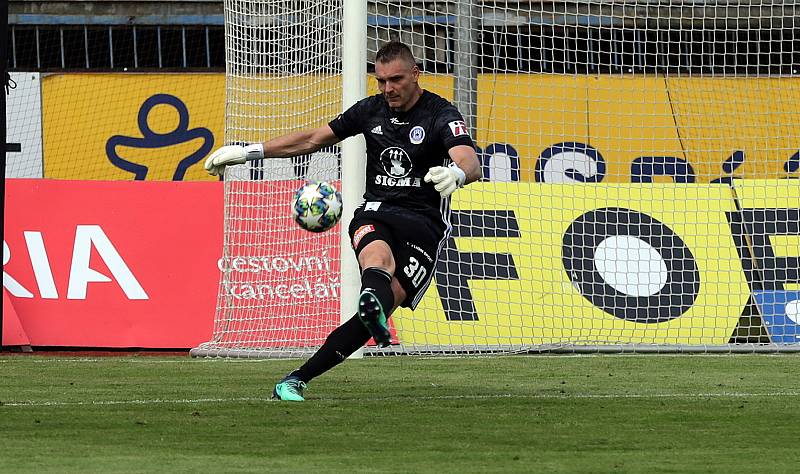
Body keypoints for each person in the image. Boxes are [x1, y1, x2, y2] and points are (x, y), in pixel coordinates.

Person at [204, 41, 481, 401]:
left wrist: (458, 175)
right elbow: (313, 139)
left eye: (395, 79)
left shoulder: (441, 113)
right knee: (377, 260)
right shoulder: (370, 110)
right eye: (380, 81)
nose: (387, 89)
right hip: (377, 212)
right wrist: (249, 152)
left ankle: (308, 367)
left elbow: (469, 159)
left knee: (382, 302)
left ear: (416, 73)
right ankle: (301, 375)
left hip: (423, 225)